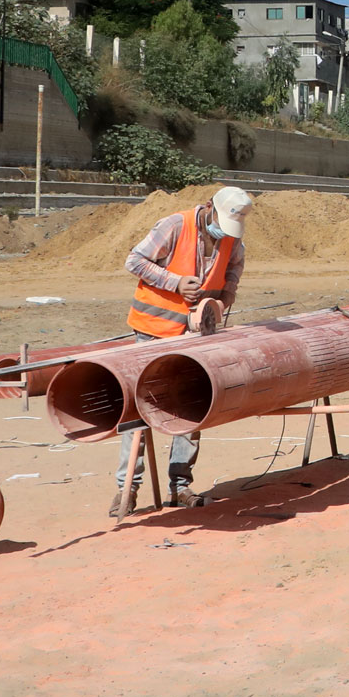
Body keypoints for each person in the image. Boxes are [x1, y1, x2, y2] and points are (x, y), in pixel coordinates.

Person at [111, 186, 251, 515]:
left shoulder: (233, 239)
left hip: (195, 334)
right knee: (139, 409)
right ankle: (127, 488)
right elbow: (134, 260)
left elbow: (234, 270)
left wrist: (225, 296)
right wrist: (174, 282)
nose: (222, 236)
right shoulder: (174, 226)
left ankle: (180, 486)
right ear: (209, 209)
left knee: (192, 407)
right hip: (153, 330)